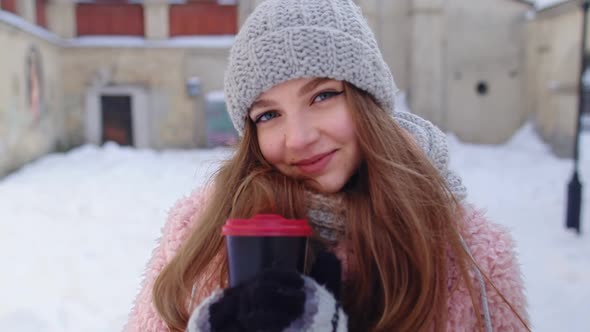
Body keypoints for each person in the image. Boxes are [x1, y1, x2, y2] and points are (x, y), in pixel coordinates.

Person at [126, 0, 529, 331]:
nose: (298, 138)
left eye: (322, 96)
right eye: (268, 115)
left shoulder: (468, 250)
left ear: (366, 100)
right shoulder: (203, 232)